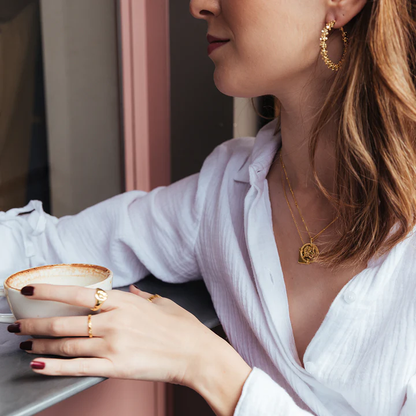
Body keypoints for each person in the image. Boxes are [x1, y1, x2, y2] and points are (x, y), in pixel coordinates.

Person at [3, 0, 416, 414]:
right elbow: (40, 249)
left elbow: (202, 361)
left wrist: (205, 363)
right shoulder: (226, 191)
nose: (198, 5)